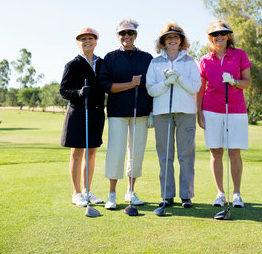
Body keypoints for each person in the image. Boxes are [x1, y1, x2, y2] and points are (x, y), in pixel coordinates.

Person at [98, 18, 153, 210]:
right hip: (117, 113)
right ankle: (111, 194)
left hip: (141, 112)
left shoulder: (147, 58)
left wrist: (153, 111)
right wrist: (130, 84)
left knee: (136, 153)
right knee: (116, 152)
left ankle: (130, 191)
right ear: (118, 36)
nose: (126, 36)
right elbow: (106, 86)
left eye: (130, 33)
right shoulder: (110, 58)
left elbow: (152, 86)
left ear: (135, 36)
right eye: (123, 33)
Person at [197, 19, 252, 208]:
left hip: (235, 110)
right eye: (214, 34)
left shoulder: (239, 55)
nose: (218, 37)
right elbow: (200, 90)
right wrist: (199, 113)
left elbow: (247, 82)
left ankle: (236, 193)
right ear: (210, 38)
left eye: (222, 33)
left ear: (228, 36)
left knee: (234, 152)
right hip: (211, 109)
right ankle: (220, 193)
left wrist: (234, 81)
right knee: (216, 151)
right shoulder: (204, 60)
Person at [146, 22, 201, 208]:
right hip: (162, 113)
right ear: (163, 41)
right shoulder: (155, 62)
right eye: (168, 37)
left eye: (175, 37)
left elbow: (195, 87)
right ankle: (167, 195)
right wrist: (166, 83)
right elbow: (151, 89)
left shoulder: (190, 61)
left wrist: (178, 77)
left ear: (181, 41)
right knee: (165, 156)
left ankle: (186, 195)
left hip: (186, 112)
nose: (172, 41)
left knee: (186, 155)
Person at [60, 27, 106, 207]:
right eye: (83, 39)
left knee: (92, 153)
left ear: (96, 41)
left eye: (90, 38)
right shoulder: (72, 64)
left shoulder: (102, 63)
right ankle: (77, 193)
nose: (87, 41)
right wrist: (79, 92)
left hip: (96, 113)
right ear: (78, 42)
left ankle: (87, 191)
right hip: (78, 112)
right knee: (77, 153)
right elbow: (63, 91)